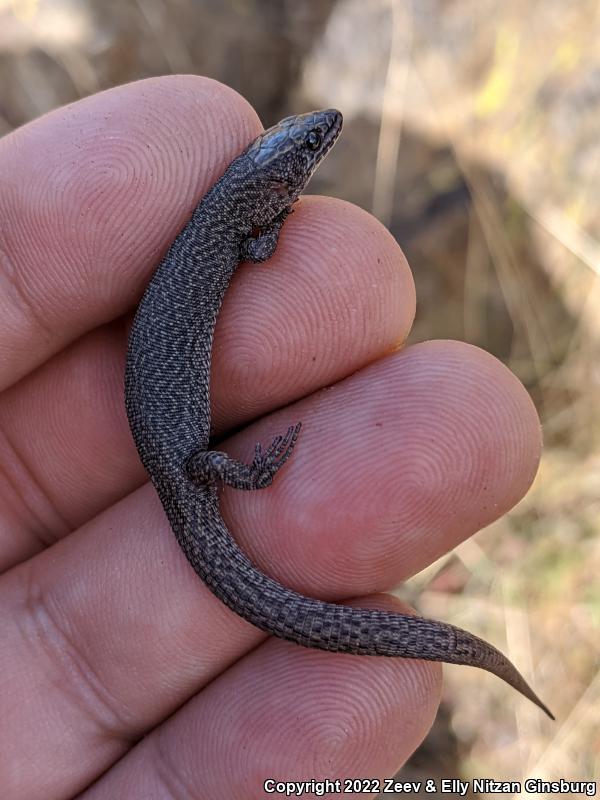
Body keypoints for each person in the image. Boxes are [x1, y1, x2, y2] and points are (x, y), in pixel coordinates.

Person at [0, 75, 542, 799]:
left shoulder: (231, 216)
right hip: (188, 457)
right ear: (275, 179)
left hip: (186, 453)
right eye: (310, 144)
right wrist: (247, 475)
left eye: (311, 140)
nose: (322, 136)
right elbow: (260, 252)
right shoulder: (242, 228)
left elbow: (254, 247)